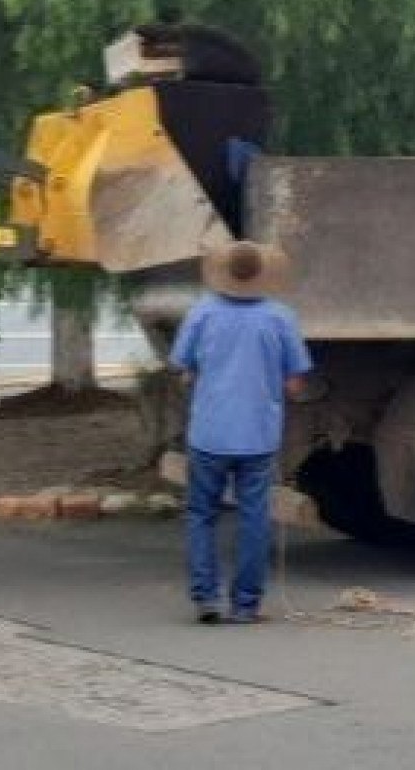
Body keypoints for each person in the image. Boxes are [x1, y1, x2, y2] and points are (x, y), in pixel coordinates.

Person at [171, 241, 312, 625]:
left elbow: (184, 369)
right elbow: (296, 383)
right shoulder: (280, 318)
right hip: (258, 435)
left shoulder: (201, 313)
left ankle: (207, 599)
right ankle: (246, 604)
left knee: (202, 514)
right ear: (261, 276)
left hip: (209, 433)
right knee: (254, 516)